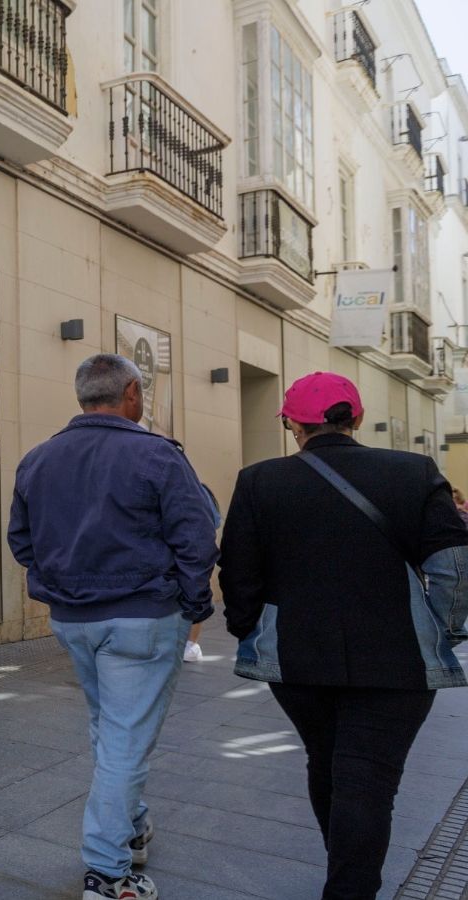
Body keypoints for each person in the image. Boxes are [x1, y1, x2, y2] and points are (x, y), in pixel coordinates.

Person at [220, 372, 468, 900]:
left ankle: (346, 878)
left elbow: (238, 573)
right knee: (367, 779)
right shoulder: (413, 472)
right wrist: (443, 631)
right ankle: (349, 886)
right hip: (397, 661)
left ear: (292, 424)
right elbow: (452, 566)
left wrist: (247, 627)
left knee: (328, 761)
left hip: (297, 658)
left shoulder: (258, 480)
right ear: (355, 418)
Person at [8, 353, 218, 900]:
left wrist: (60, 582)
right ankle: (108, 874)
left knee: (111, 727)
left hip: (73, 620)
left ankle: (132, 826)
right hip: (143, 619)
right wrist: (194, 605)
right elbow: (195, 540)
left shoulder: (38, 459)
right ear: (130, 392)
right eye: (140, 391)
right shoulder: (157, 455)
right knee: (124, 739)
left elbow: (22, 542)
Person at [184, 483, 224, 663]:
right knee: (196, 593)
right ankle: (190, 644)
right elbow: (215, 521)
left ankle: (190, 644)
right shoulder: (199, 489)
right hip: (196, 555)